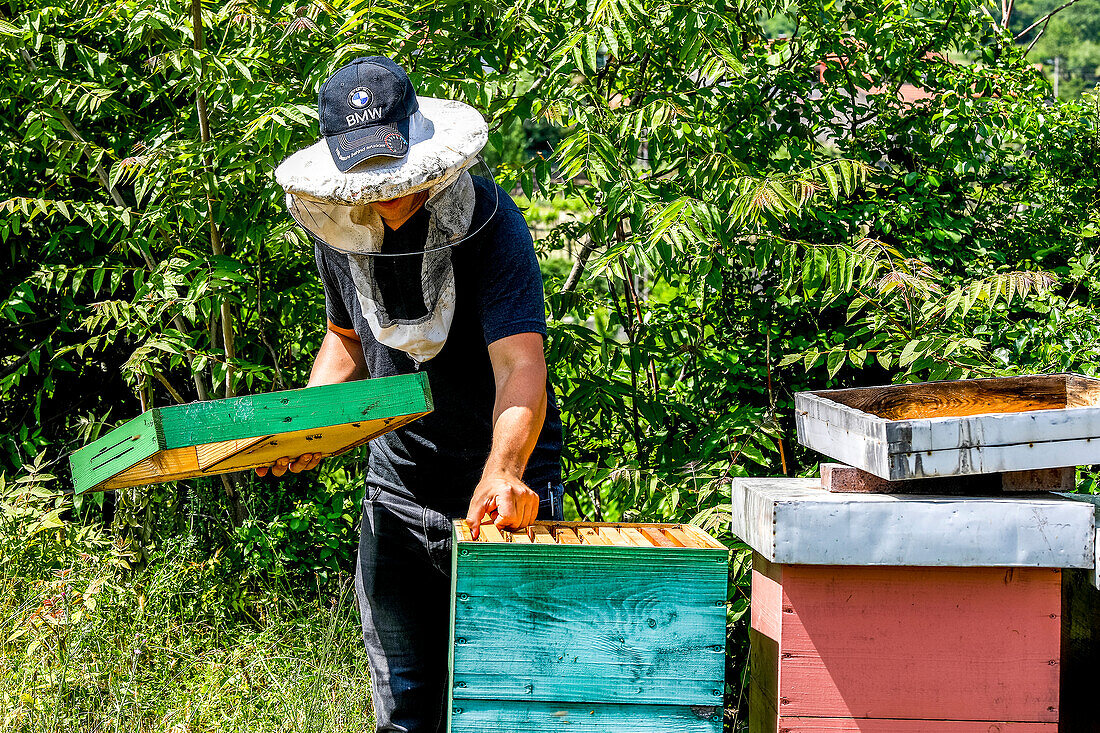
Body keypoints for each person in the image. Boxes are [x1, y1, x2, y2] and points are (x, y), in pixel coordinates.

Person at [265, 56, 564, 732]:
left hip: (504, 492)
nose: (386, 190)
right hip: (396, 489)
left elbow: (521, 363)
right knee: (403, 709)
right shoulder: (336, 232)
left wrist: (505, 467)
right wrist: (306, 427)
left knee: (507, 708)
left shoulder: (490, 221)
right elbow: (345, 339)